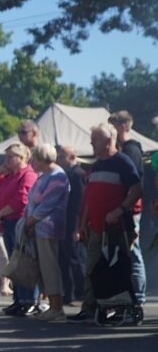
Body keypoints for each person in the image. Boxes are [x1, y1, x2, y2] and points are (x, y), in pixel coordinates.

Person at [68, 123, 142, 323]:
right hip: (96, 226)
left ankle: (124, 306)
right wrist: (83, 222)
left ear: (109, 140)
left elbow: (136, 189)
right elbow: (89, 197)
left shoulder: (122, 162)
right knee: (92, 268)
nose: (91, 142)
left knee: (118, 268)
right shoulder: (97, 164)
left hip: (115, 228)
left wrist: (120, 210)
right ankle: (91, 307)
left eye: (96, 139)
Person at [0, 143, 39, 316]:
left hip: (19, 221)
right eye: (5, 157)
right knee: (14, 262)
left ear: (21, 158)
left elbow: (21, 200)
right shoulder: (9, 175)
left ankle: (28, 300)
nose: (6, 160)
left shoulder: (28, 174)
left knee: (23, 261)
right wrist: (2, 168)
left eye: (10, 157)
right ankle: (18, 299)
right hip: (8, 222)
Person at [23, 144, 70, 322]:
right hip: (38, 228)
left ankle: (57, 308)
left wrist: (30, 220)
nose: (31, 161)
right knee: (44, 268)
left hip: (49, 228)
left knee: (50, 268)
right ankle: (52, 306)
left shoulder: (57, 176)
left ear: (42, 159)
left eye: (34, 158)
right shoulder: (44, 176)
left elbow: (47, 205)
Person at [108, 110, 147, 309]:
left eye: (113, 125)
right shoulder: (126, 150)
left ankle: (138, 298)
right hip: (125, 208)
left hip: (130, 209)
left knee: (134, 252)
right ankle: (132, 297)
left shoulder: (131, 151)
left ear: (122, 125)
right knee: (128, 253)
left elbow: (133, 184)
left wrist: (125, 206)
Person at [56, 145, 87, 305]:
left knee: (76, 259)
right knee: (64, 259)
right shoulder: (66, 175)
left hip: (72, 223)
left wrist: (77, 227)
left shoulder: (78, 175)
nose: (59, 160)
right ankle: (68, 293)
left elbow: (79, 204)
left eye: (62, 157)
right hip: (64, 223)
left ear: (72, 157)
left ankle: (80, 293)